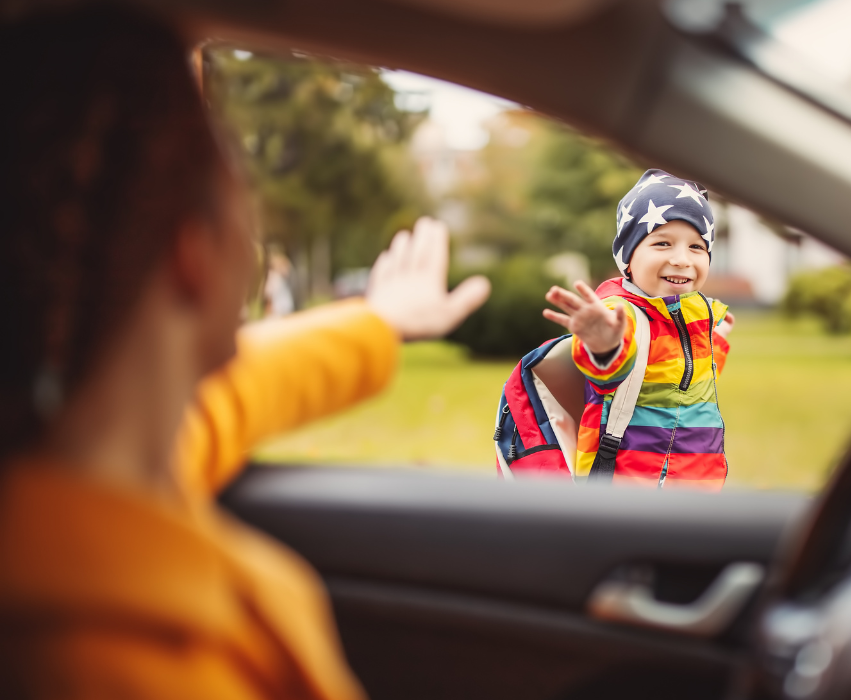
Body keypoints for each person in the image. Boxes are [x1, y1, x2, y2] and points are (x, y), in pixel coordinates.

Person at [0, 5, 490, 698]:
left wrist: (380, 321)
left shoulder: (80, 471)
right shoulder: (145, 671)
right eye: (236, 177)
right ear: (193, 251)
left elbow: (236, 392)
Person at [543, 169, 734, 489]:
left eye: (696, 247)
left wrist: (715, 343)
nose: (682, 259)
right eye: (663, 243)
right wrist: (603, 345)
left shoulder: (696, 315)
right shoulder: (621, 315)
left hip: (696, 488)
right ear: (628, 258)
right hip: (627, 493)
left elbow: (685, 382)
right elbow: (609, 368)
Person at [263, 248, 296, 318]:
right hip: (277, 311)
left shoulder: (284, 279)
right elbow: (269, 296)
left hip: (286, 309)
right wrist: (268, 310)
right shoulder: (272, 277)